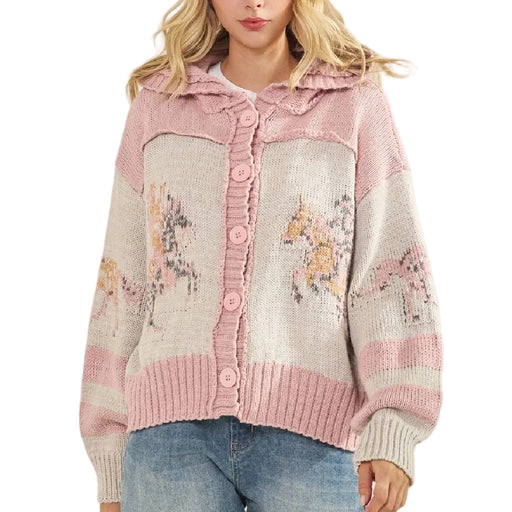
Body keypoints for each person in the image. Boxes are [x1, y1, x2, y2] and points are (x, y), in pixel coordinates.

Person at [78, 0, 444, 510]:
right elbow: (123, 277)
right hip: (168, 440)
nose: (254, 2)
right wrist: (110, 452)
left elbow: (387, 267)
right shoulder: (159, 104)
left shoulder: (353, 103)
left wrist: (393, 425)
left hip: (315, 438)